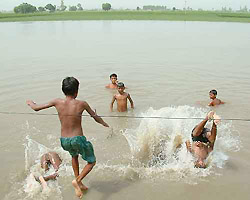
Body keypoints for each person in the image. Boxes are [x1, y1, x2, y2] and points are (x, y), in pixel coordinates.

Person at [27, 77, 109, 198]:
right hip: (78, 139)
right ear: (77, 91)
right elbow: (94, 116)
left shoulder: (57, 102)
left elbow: (36, 108)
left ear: (63, 90)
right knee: (91, 162)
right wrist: (103, 123)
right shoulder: (82, 103)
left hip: (64, 141)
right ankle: (77, 180)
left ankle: (79, 182)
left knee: (74, 156)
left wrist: (30, 103)